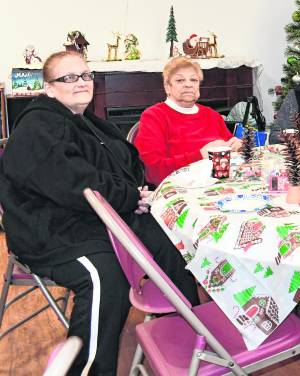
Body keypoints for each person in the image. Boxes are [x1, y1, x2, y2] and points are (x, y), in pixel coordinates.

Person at [0, 51, 200, 374]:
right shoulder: (39, 126)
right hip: (48, 231)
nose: (81, 83)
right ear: (49, 88)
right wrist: (129, 195)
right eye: (69, 78)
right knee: (105, 276)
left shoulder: (85, 120)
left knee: (169, 239)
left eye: (85, 75)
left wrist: (137, 190)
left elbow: (123, 161)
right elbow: (78, 184)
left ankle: (189, 332)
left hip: (91, 217)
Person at [134, 57, 241, 186]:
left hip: (218, 185)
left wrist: (237, 147)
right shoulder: (154, 116)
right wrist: (201, 155)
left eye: (194, 80)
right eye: (180, 80)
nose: (188, 84)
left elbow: (231, 150)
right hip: (178, 189)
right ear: (167, 87)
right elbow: (153, 172)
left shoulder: (212, 115)